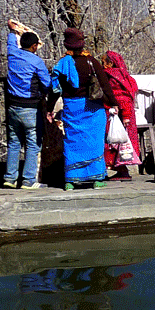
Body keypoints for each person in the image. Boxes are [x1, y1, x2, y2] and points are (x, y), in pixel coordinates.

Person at [48, 28, 116, 190]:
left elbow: (54, 89)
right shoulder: (92, 62)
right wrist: (114, 103)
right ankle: (97, 179)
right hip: (93, 109)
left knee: (73, 141)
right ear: (82, 44)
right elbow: (105, 86)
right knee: (94, 142)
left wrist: (50, 108)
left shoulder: (62, 64)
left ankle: (71, 180)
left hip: (72, 108)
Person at [4, 20, 52, 189]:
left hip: (12, 106)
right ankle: (28, 180)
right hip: (30, 107)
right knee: (33, 143)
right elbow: (47, 84)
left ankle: (9, 178)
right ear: (33, 46)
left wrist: (13, 31)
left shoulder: (12, 54)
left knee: (14, 142)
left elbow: (10, 42)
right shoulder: (36, 62)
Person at [101, 51, 142, 181]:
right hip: (124, 114)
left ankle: (122, 171)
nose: (102, 65)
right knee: (121, 142)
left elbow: (121, 96)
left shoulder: (112, 77)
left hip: (117, 115)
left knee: (115, 142)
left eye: (103, 62)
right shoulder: (125, 76)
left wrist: (125, 115)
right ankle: (121, 170)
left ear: (110, 63)